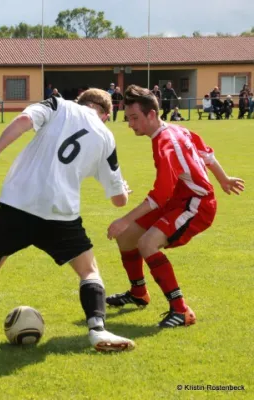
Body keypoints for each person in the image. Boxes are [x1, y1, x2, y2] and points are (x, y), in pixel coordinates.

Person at [0, 89, 135, 352]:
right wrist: (125, 191)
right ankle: (97, 330)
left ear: (80, 102)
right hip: (60, 212)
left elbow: (23, 121)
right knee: (88, 270)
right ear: (106, 115)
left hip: (17, 203)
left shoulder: (58, 104)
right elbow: (119, 200)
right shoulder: (106, 136)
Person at [106, 85, 244, 328]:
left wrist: (124, 219)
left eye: (135, 118)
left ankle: (181, 311)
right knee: (127, 238)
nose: (130, 124)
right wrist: (224, 179)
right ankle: (138, 293)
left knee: (147, 243)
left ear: (152, 114)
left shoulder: (165, 144)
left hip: (196, 203)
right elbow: (206, 154)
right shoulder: (175, 129)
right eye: (128, 118)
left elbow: (159, 195)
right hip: (178, 199)